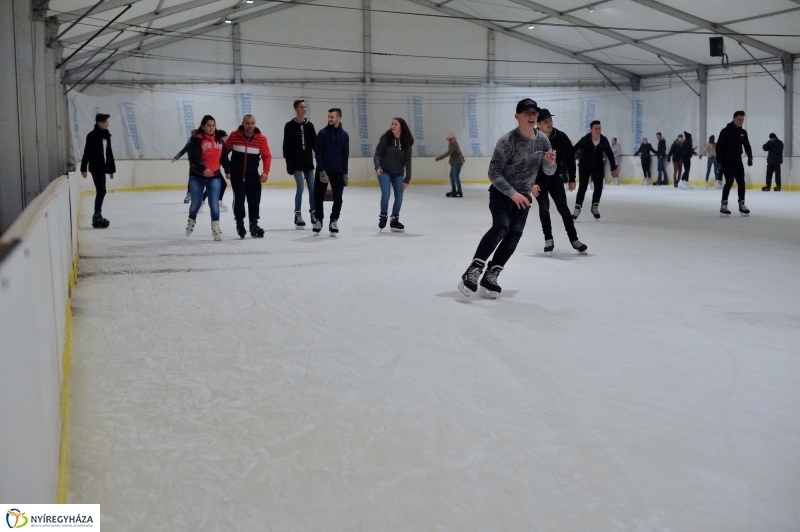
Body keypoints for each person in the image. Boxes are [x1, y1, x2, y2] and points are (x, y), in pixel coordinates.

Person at [458, 98, 556, 299]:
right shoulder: (507, 141)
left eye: (534, 113)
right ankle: (473, 270)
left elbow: (549, 171)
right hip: (503, 193)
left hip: (524, 197)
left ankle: (491, 275)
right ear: (517, 116)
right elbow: (494, 173)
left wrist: (548, 163)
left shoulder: (543, 141)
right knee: (501, 227)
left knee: (514, 235)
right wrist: (513, 193)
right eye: (527, 113)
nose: (532, 117)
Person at [531, 109, 587, 256]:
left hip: (556, 178)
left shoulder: (561, 137)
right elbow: (528, 163)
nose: (549, 124)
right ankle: (548, 239)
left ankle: (574, 240)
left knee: (564, 209)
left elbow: (570, 158)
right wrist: (532, 183)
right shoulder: (532, 138)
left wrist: (572, 178)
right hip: (539, 181)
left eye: (550, 120)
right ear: (538, 123)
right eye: (545, 121)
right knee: (544, 208)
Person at [185, 115, 230, 240]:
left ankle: (216, 229)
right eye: (209, 125)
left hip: (214, 176)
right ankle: (191, 220)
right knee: (196, 203)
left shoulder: (219, 141)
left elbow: (224, 157)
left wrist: (227, 170)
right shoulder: (197, 140)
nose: (211, 128)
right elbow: (194, 158)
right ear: (203, 126)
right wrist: (203, 169)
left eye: (213, 125)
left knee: (214, 203)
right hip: (197, 177)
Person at [225, 114, 271, 239]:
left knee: (254, 200)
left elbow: (267, 156)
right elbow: (224, 152)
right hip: (237, 175)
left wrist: (265, 172)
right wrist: (227, 169)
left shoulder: (261, 139)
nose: (250, 126)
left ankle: (253, 225)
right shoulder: (234, 136)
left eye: (252, 123)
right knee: (239, 199)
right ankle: (240, 223)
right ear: (243, 123)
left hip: (253, 175)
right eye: (248, 123)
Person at [313, 108, 349, 236]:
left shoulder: (344, 136)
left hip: (338, 171)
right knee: (318, 197)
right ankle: (319, 220)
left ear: (339, 118)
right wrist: (321, 170)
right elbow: (318, 153)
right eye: (329, 117)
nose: (330, 119)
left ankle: (334, 220)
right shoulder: (322, 133)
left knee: (338, 198)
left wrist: (345, 172)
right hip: (323, 171)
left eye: (332, 117)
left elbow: (345, 155)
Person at [374, 117, 413, 232]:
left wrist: (407, 178)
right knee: (386, 195)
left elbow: (408, 162)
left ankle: (394, 219)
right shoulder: (386, 140)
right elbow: (377, 154)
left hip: (398, 173)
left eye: (395, 124)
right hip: (384, 171)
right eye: (392, 124)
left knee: (399, 198)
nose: (392, 126)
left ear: (401, 126)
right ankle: (383, 216)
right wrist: (378, 166)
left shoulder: (406, 144)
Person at [572, 120, 617, 221]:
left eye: (599, 129)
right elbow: (574, 149)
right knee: (582, 187)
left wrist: (613, 168)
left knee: (598, 187)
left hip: (598, 166)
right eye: (596, 129)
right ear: (591, 130)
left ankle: (594, 206)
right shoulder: (585, 139)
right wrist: (565, 159)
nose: (598, 130)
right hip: (584, 165)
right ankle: (577, 209)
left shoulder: (604, 140)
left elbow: (610, 154)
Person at [174, 132, 229, 212]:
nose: (226, 140)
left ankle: (214, 202)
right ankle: (193, 198)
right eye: (225, 138)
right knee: (202, 183)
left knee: (219, 184)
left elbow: (224, 158)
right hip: (200, 168)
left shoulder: (220, 145)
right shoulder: (196, 143)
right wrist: (176, 157)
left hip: (214, 169)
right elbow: (185, 151)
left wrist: (227, 169)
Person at [283, 99, 317, 229]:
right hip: (296, 162)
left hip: (308, 162)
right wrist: (288, 161)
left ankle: (313, 212)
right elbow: (286, 145)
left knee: (312, 188)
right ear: (296, 109)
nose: (304, 109)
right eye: (301, 107)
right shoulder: (289, 125)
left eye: (305, 107)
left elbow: (315, 144)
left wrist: (320, 159)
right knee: (301, 187)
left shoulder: (310, 125)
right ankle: (298, 214)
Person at [80, 113, 116, 228]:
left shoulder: (106, 135)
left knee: (102, 191)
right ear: (99, 123)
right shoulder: (92, 135)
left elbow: (109, 153)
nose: (107, 124)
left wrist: (111, 170)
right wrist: (83, 168)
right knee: (101, 190)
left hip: (103, 166)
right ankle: (97, 214)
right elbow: (87, 152)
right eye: (105, 122)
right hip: (96, 167)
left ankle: (97, 213)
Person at [717, 110, 753, 217]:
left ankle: (742, 204)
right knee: (729, 182)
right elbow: (719, 148)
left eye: (742, 119)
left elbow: (747, 145)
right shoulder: (725, 131)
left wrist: (750, 157)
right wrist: (719, 162)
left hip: (738, 161)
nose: (741, 121)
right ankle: (724, 204)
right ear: (734, 119)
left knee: (741, 182)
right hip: (726, 161)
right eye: (739, 119)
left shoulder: (743, 133)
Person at [435, 132, 465, 197]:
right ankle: (454, 189)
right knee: (451, 176)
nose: (446, 139)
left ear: (450, 138)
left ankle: (459, 190)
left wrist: (439, 158)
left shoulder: (453, 144)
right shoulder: (451, 143)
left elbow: (448, 153)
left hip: (458, 161)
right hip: (454, 162)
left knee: (455, 176)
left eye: (447, 138)